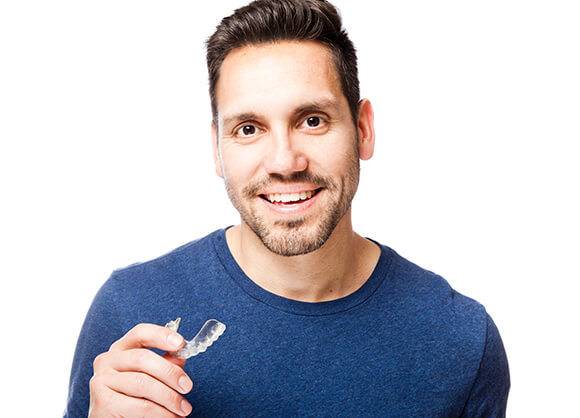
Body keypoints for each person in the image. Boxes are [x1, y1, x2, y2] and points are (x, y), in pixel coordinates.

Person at [65, 0, 510, 416]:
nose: (284, 162)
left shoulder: (461, 341)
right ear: (217, 150)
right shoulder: (128, 313)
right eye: (248, 128)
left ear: (363, 129)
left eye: (312, 120)